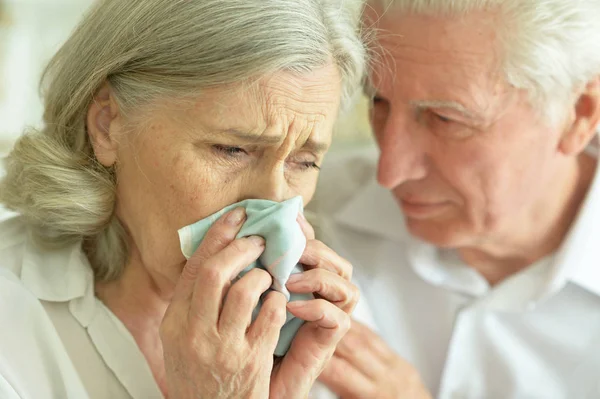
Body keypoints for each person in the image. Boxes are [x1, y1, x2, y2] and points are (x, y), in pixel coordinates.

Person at [0, 0, 366, 398]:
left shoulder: (319, 323)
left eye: (304, 161)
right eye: (232, 150)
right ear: (108, 125)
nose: (275, 204)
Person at [310, 0, 600, 398]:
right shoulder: (309, 211)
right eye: (377, 102)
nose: (390, 172)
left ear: (579, 114)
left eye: (445, 119)